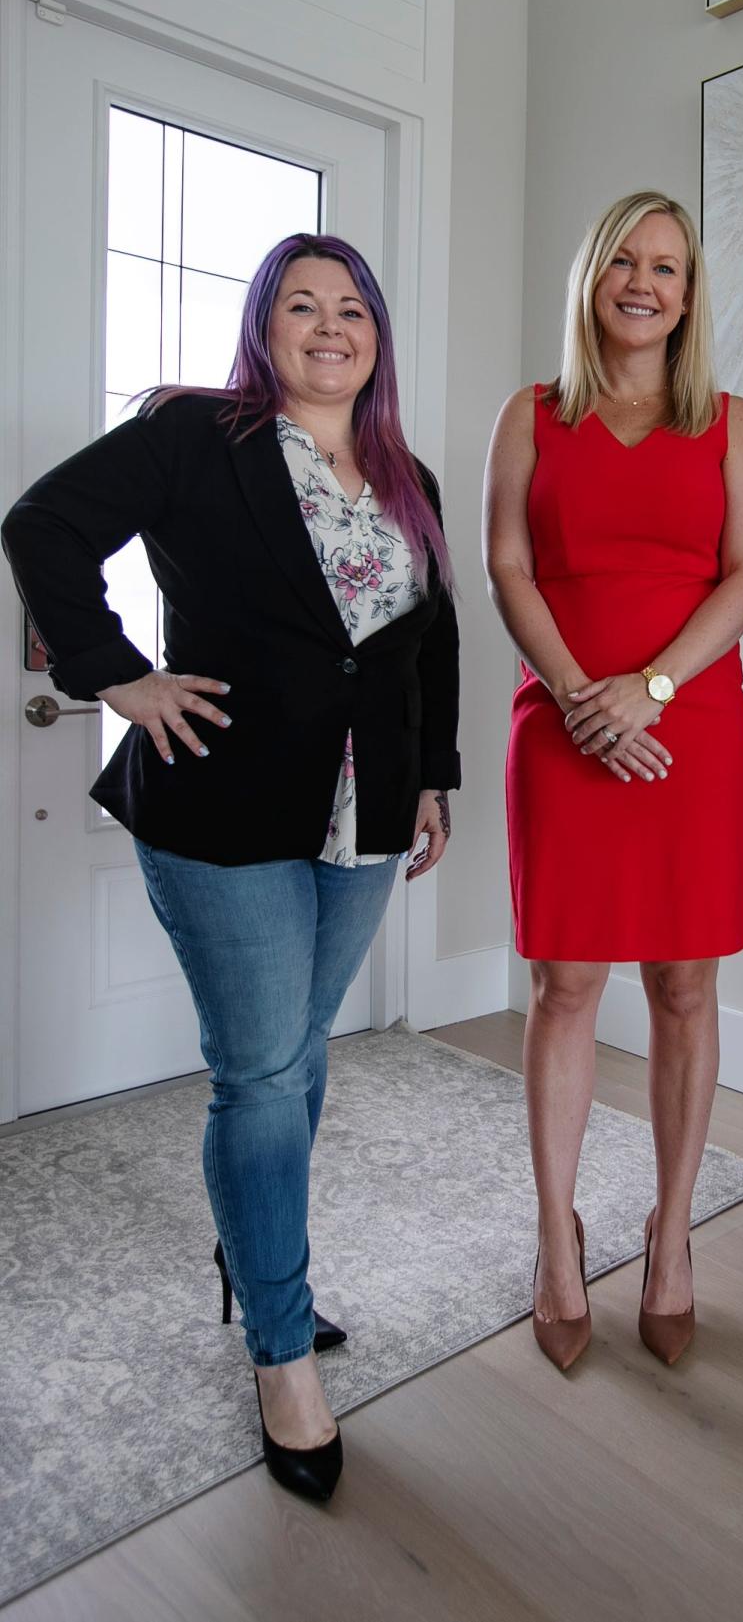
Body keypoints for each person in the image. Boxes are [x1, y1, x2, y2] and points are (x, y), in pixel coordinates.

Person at [2, 234, 460, 1502]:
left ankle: (251, 1259)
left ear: (377, 335)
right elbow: (40, 525)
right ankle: (278, 1345)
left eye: (353, 308)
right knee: (261, 1073)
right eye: (301, 306)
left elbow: (431, 639)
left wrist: (434, 773)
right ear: (263, 328)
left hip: (363, 813)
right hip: (221, 806)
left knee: (299, 1059)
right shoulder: (195, 439)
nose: (331, 327)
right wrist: (116, 676)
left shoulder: (404, 473)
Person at [484, 191, 743, 1371]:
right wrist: (577, 698)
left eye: (667, 265)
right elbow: (509, 562)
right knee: (563, 988)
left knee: (685, 990)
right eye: (624, 260)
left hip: (689, 725)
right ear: (593, 278)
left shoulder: (736, 423)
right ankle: (558, 1238)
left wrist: (647, 692)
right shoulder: (532, 414)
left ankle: (671, 1236)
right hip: (561, 724)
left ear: (690, 293)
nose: (644, 281)